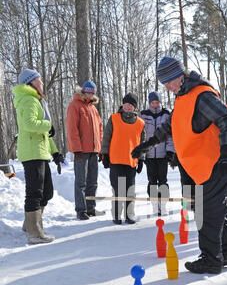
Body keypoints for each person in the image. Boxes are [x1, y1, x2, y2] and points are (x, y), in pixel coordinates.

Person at [132, 57, 227, 274]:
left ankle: (211, 259)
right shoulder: (183, 98)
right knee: (213, 211)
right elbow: (170, 126)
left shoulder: (202, 95)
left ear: (180, 76)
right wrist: (147, 145)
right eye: (164, 84)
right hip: (202, 166)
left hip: (216, 162)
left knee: (204, 212)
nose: (168, 87)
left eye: (170, 82)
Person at [13, 68, 64, 244]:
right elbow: (29, 124)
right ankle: (34, 233)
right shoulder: (29, 100)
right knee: (35, 192)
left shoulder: (36, 101)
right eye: (39, 79)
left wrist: (55, 152)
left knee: (47, 192)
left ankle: (30, 224)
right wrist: (47, 125)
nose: (42, 82)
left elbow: (44, 133)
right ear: (31, 82)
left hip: (40, 151)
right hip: (31, 152)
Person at [101, 93, 145, 225]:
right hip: (115, 161)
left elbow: (142, 143)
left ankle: (130, 215)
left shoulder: (140, 123)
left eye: (131, 105)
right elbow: (106, 138)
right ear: (123, 104)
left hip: (131, 162)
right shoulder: (114, 118)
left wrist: (141, 159)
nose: (128, 107)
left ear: (134, 107)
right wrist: (105, 155)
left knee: (130, 190)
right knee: (117, 189)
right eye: (126, 104)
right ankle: (116, 215)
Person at [66, 80, 105, 220]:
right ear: (83, 91)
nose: (90, 94)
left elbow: (100, 129)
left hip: (94, 150)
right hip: (81, 151)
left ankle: (91, 208)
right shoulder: (74, 105)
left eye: (92, 92)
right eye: (88, 91)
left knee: (92, 181)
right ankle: (81, 210)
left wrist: (100, 149)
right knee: (81, 181)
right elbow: (72, 129)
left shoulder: (93, 108)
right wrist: (76, 150)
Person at [140, 91, 175, 216]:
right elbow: (140, 136)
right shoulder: (143, 115)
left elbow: (171, 135)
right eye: (153, 103)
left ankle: (163, 205)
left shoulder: (166, 114)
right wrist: (142, 152)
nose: (155, 105)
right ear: (150, 103)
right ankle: (155, 205)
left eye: (157, 102)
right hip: (149, 155)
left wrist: (170, 151)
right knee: (152, 181)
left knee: (163, 180)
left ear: (160, 102)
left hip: (163, 155)